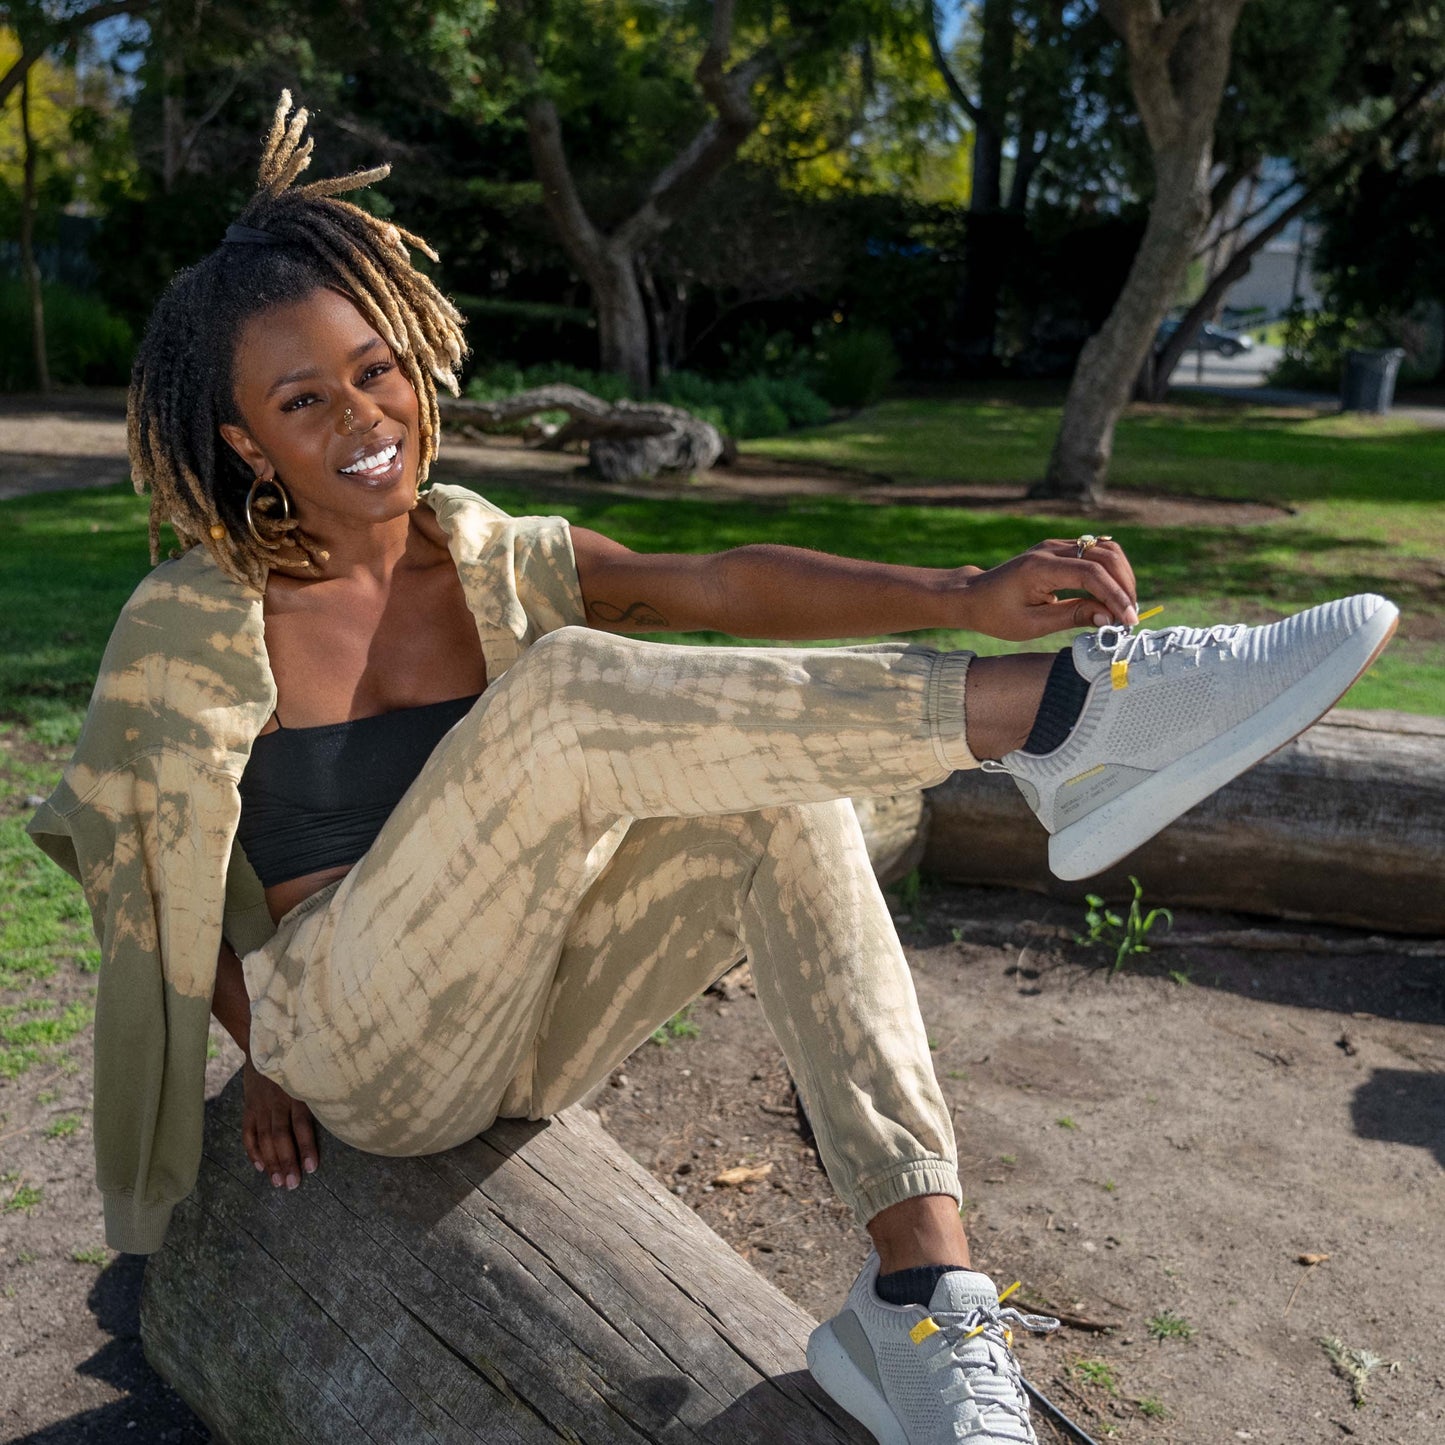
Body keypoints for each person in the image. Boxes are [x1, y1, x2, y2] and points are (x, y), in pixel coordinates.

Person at [28, 94, 1397, 1445]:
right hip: (355, 1042)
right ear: (245, 442)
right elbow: (130, 873)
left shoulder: (495, 557)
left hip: (531, 1024)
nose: (361, 415)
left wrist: (964, 592)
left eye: (375, 370)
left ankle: (918, 1297)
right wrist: (265, 1048)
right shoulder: (188, 624)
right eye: (303, 401)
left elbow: (721, 582)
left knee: (777, 788)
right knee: (565, 696)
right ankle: (1066, 718)